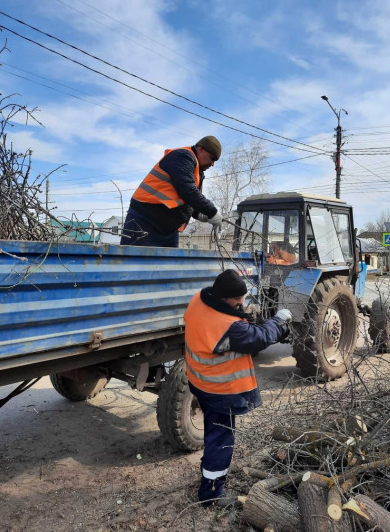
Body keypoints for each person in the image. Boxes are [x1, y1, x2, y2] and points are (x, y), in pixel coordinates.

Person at [184, 269, 292, 506]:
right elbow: (260, 337)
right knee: (221, 439)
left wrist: (239, 311)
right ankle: (210, 494)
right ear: (223, 297)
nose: (241, 302)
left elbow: (233, 320)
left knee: (213, 433)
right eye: (237, 299)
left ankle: (208, 476)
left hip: (199, 381)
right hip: (219, 390)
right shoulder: (228, 326)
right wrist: (279, 321)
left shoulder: (198, 299)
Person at [120, 136, 223, 247]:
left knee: (168, 263)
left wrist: (199, 214)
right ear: (201, 149)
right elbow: (187, 190)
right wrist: (212, 211)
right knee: (136, 261)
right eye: (212, 158)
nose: (212, 164)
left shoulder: (197, 171)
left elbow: (186, 200)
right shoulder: (183, 156)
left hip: (167, 228)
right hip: (144, 221)